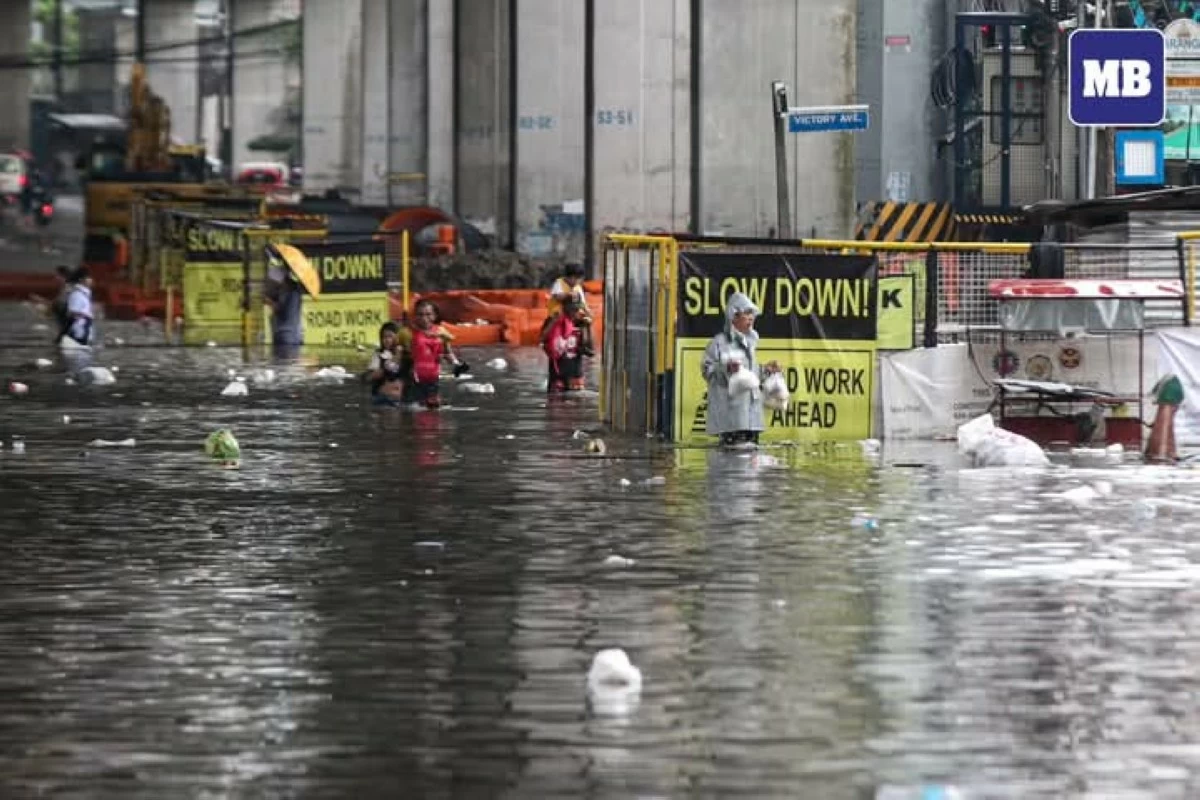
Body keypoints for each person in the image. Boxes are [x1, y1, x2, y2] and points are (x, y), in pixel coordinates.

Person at [701, 292, 780, 447]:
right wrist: (725, 368)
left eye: (752, 314)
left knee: (750, 465)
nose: (751, 317)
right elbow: (707, 370)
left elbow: (752, 376)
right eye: (747, 313)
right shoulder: (719, 343)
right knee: (732, 465)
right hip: (731, 420)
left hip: (752, 420)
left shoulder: (749, 344)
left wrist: (767, 370)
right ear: (734, 315)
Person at [397, 299, 467, 409]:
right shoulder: (406, 333)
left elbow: (447, 353)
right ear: (415, 316)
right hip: (413, 379)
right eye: (420, 314)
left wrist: (456, 364)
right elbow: (395, 351)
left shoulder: (441, 332)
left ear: (435, 316)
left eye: (428, 314)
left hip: (432, 379)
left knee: (432, 411)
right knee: (411, 410)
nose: (424, 318)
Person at [541, 262, 594, 356]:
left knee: (587, 321)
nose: (578, 282)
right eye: (576, 279)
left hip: (573, 314)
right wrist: (568, 295)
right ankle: (543, 340)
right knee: (553, 321)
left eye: (579, 279)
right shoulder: (559, 283)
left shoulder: (578, 287)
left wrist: (587, 311)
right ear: (571, 277)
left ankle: (587, 345)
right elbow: (557, 296)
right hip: (558, 313)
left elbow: (583, 303)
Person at [544, 296, 588, 392]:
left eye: (577, 309)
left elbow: (589, 351)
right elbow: (542, 339)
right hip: (557, 376)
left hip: (575, 377)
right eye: (571, 308)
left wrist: (587, 327)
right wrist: (553, 322)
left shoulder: (582, 323)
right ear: (563, 307)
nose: (574, 312)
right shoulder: (552, 320)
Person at [265, 270, 304, 356]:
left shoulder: (289, 293)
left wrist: (269, 302)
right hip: (291, 336)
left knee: (282, 363)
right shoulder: (295, 292)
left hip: (286, 336)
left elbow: (280, 309)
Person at [366, 322, 406, 405]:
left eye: (390, 336)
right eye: (384, 337)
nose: (387, 340)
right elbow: (368, 377)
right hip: (383, 398)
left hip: (402, 399)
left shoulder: (406, 355)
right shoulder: (379, 355)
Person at [58, 267, 95, 348]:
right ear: (82, 280)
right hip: (78, 331)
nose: (91, 280)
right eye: (89, 278)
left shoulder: (85, 294)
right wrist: (86, 315)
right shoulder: (77, 294)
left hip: (83, 330)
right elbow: (71, 313)